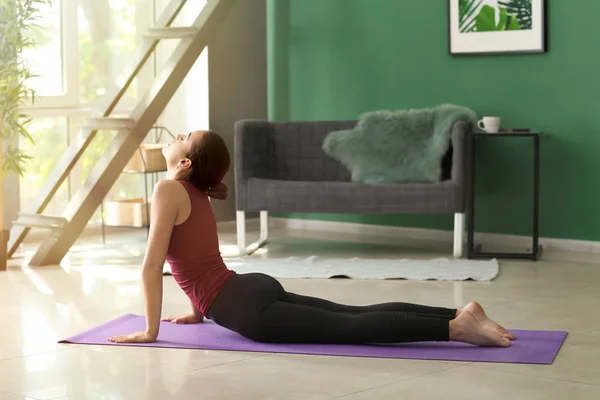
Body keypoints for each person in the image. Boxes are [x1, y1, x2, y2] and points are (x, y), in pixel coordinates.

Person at [108, 130, 514, 347]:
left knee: (349, 328)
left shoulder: (168, 189)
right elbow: (200, 257)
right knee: (353, 312)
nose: (176, 134)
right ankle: (457, 313)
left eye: (183, 136)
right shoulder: (194, 191)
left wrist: (150, 332)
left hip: (244, 305)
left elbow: (153, 266)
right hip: (248, 285)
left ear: (183, 162)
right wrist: (198, 312)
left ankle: (458, 329)